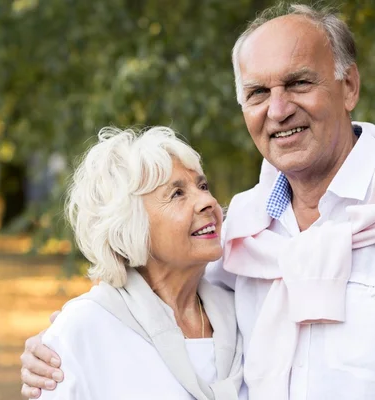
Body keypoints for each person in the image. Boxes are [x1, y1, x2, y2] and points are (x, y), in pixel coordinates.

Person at [21, 3, 375, 400]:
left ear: (349, 86)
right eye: (258, 93)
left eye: (299, 83)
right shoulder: (240, 237)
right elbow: (148, 298)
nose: (278, 110)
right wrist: (61, 342)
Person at [25, 126, 243, 399]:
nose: (208, 202)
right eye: (177, 194)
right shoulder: (82, 330)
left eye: (202, 186)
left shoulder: (242, 311)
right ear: (129, 225)